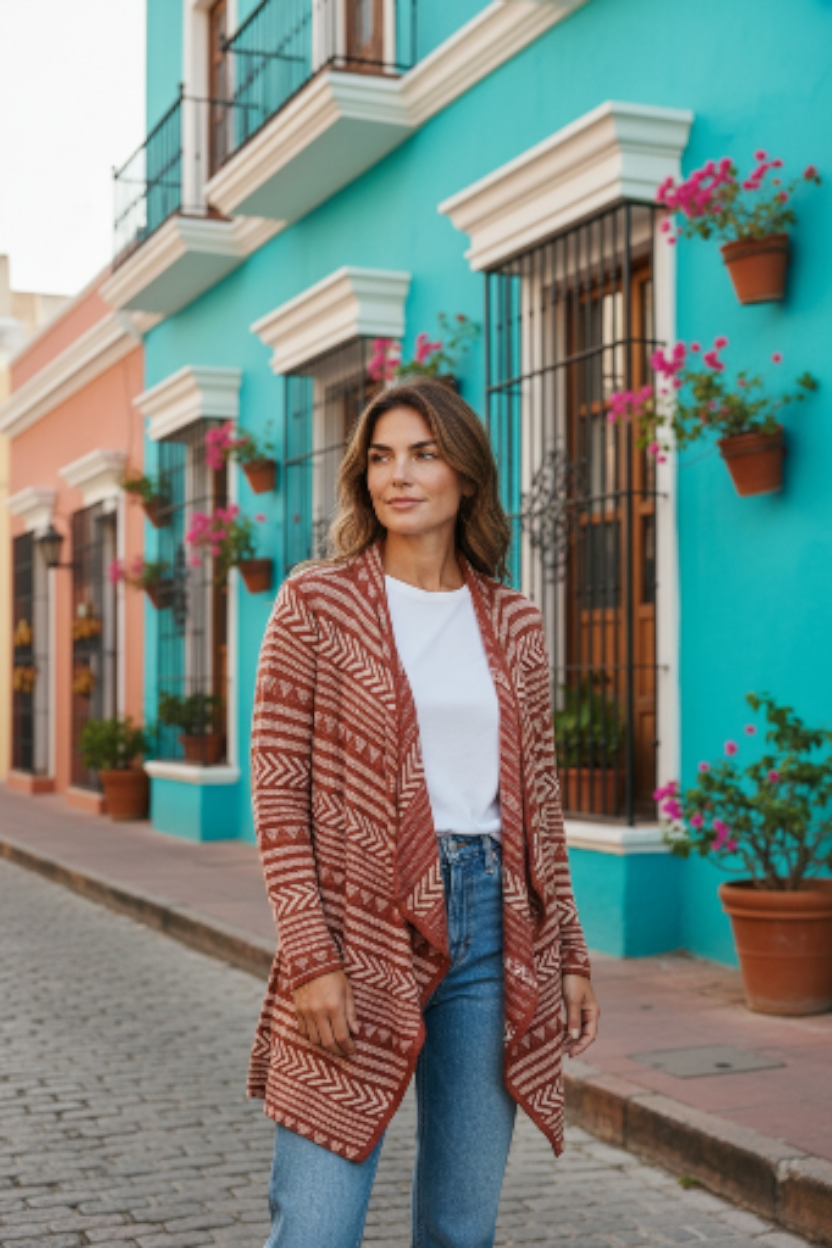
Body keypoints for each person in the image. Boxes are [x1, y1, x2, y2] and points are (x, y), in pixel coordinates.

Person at [249, 377, 599, 1248]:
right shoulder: (317, 603)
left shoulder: (515, 621)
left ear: (466, 476)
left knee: (460, 1227)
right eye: (380, 458)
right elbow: (278, 794)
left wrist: (568, 951)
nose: (397, 475)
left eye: (423, 454)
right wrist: (310, 957)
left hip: (495, 926)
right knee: (316, 1227)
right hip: (357, 921)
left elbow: (539, 805)